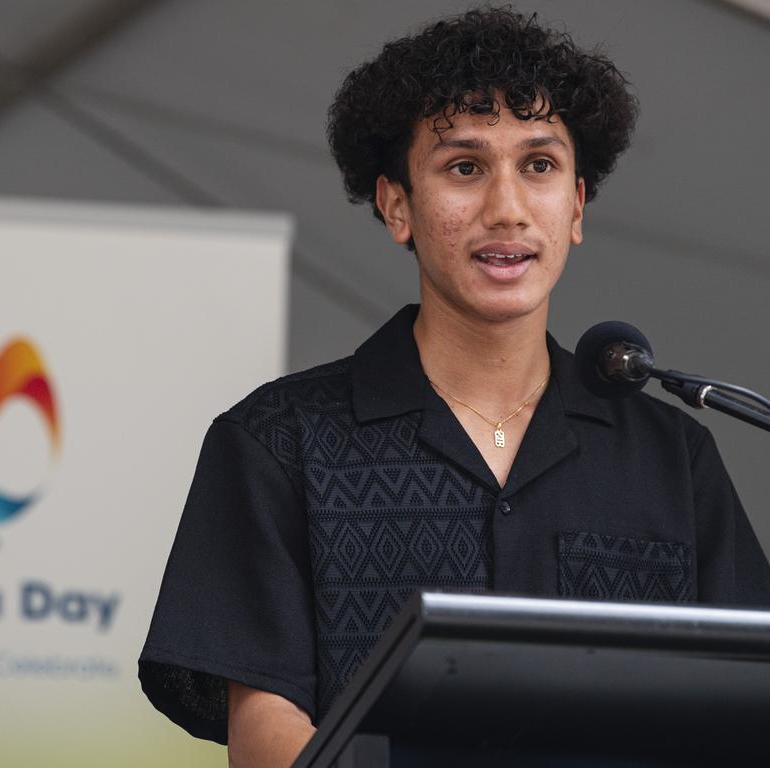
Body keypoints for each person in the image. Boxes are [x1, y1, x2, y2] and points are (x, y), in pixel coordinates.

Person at [138, 7, 770, 767]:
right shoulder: (278, 442)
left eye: (539, 165)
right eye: (465, 167)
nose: (506, 210)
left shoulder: (674, 459)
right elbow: (266, 728)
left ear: (575, 206)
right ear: (396, 205)